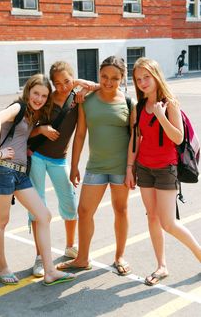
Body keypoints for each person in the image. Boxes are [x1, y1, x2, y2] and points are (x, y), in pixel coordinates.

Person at [0, 74, 76, 286]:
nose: (39, 98)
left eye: (44, 96)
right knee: (1, 221)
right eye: (36, 93)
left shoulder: (33, 114)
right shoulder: (18, 107)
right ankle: (3, 268)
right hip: (2, 170)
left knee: (43, 215)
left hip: (19, 173)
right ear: (28, 91)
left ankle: (50, 271)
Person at [125, 57, 201, 286]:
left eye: (146, 77)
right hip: (144, 169)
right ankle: (161, 266)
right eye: (138, 79)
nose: (142, 83)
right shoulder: (138, 107)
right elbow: (135, 139)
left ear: (156, 76)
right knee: (153, 217)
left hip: (166, 169)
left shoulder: (170, 103)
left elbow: (177, 137)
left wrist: (160, 115)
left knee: (169, 223)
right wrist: (130, 168)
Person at [56, 56, 134, 275]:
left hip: (121, 168)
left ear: (122, 78)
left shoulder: (129, 103)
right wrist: (74, 166)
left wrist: (131, 168)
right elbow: (80, 135)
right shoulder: (87, 100)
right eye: (104, 77)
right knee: (84, 210)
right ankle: (82, 259)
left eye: (115, 78)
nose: (109, 82)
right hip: (95, 167)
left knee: (121, 209)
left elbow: (135, 138)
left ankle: (119, 256)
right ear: (99, 75)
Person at [28, 62, 98, 277]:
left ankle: (70, 246)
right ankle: (40, 257)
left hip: (60, 159)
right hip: (37, 156)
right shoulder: (46, 98)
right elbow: (25, 131)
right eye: (57, 83)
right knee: (37, 206)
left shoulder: (77, 98)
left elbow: (97, 86)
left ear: (74, 78)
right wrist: (42, 129)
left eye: (67, 81)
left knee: (69, 200)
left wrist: (76, 85)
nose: (63, 87)